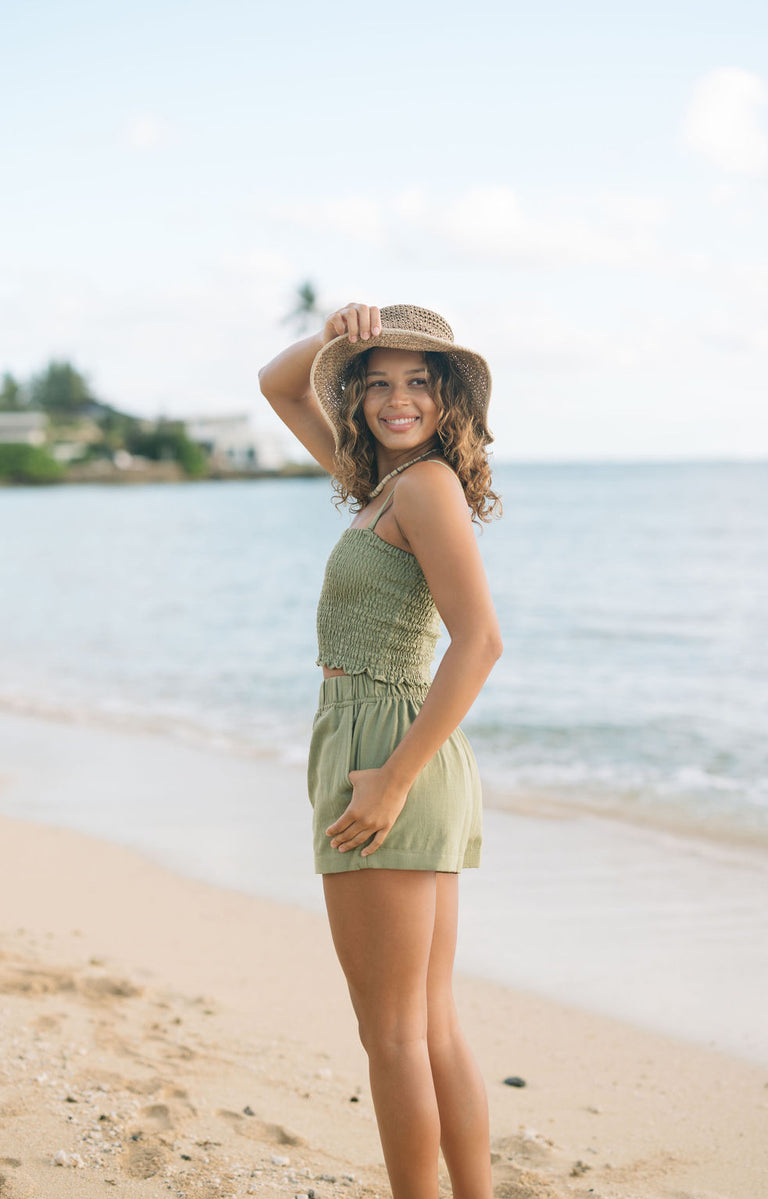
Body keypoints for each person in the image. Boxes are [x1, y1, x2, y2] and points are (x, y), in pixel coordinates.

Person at [258, 301, 502, 1199]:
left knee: (396, 1037)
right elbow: (277, 387)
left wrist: (392, 781)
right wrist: (332, 335)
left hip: (389, 752)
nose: (398, 399)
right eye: (379, 383)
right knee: (426, 1027)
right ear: (358, 400)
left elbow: (480, 641)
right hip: (381, 744)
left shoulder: (425, 486)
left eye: (418, 382)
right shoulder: (384, 485)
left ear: (447, 397)